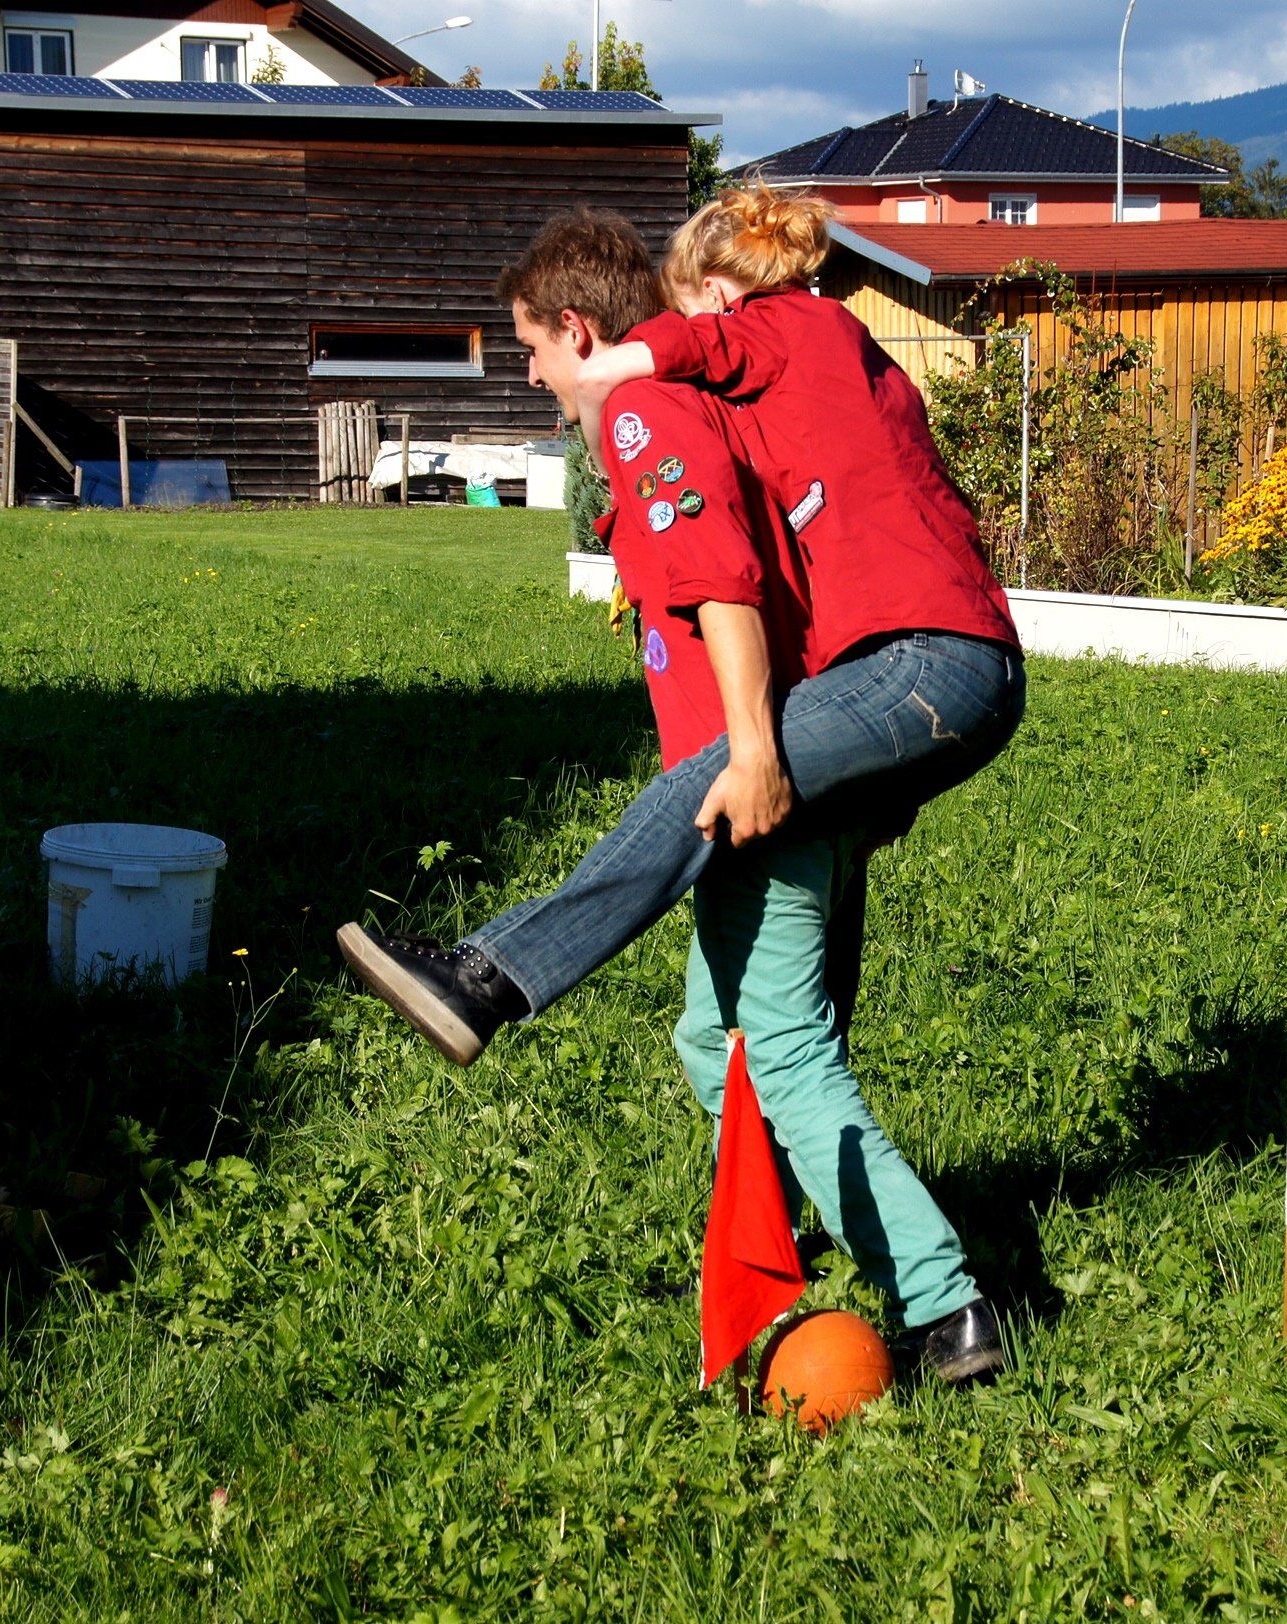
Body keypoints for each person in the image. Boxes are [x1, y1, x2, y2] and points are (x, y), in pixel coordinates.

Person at [340, 208, 1003, 1379]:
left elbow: (723, 584)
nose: (532, 377)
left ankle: (489, 977)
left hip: (779, 770)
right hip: (834, 735)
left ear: (578, 332)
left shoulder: (665, 403)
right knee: (718, 1040)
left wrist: (755, 750)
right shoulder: (725, 407)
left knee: (779, 1044)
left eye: (532, 349)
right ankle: (794, 1239)